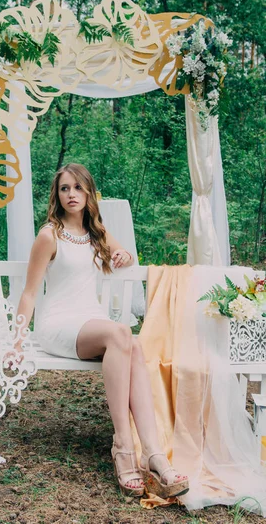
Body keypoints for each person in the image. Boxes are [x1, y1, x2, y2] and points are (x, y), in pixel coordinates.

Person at [14, 163, 189, 498]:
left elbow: (125, 253)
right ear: (57, 195)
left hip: (90, 319)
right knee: (123, 335)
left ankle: (152, 453)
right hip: (59, 325)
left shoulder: (96, 232)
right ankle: (124, 445)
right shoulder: (48, 235)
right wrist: (17, 341)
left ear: (88, 193)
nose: (71, 195)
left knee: (131, 344)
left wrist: (122, 253)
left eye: (78, 188)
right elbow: (29, 293)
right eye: (65, 189)